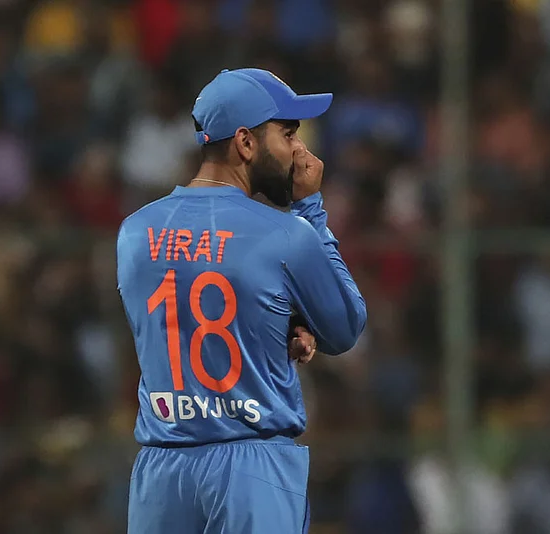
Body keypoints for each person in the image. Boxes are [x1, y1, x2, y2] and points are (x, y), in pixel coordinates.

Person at [116, 67, 367, 533]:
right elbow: (345, 327)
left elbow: (183, 314)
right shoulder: (286, 234)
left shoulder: (134, 232)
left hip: (161, 471)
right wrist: (311, 209)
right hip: (252, 467)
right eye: (288, 134)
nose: (299, 149)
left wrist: (275, 324)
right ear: (246, 142)